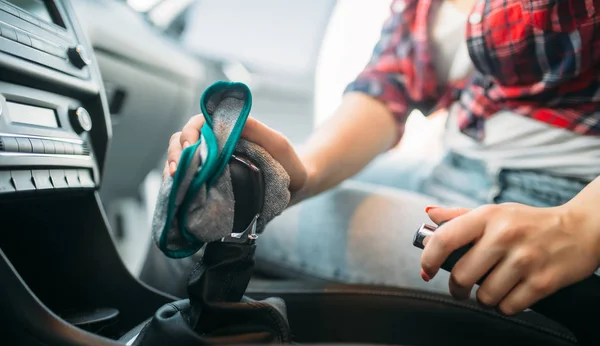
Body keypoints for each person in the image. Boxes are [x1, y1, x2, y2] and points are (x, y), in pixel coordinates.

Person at [164, 0, 600, 315]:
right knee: (236, 199)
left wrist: (582, 223)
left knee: (210, 225)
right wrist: (304, 173)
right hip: (458, 168)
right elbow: (387, 90)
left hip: (557, 198)